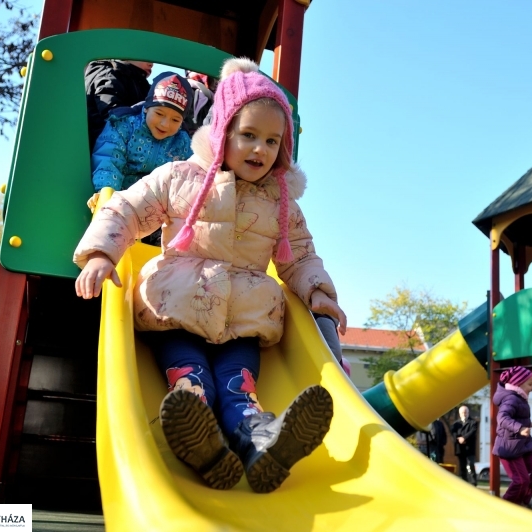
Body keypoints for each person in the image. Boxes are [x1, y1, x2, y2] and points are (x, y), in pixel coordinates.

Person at [73, 57, 347, 494]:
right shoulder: (181, 177)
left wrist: (317, 292)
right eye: (249, 135)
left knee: (241, 390)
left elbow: (300, 255)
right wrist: (102, 253)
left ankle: (262, 444)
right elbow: (126, 207)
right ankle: (198, 439)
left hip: (243, 321)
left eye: (272, 141)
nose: (260, 149)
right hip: (178, 308)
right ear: (222, 133)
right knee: (193, 379)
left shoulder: (280, 202)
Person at [90, 72, 194, 193]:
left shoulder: (183, 141)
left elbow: (190, 176)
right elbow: (109, 160)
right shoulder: (124, 126)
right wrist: (107, 192)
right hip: (121, 196)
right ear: (146, 107)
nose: (165, 124)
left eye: (175, 120)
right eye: (159, 114)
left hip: (160, 205)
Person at [492, 366, 532, 508]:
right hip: (510, 448)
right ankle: (505, 507)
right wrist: (520, 428)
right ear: (517, 383)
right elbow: (502, 418)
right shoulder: (511, 398)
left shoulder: (519, 398)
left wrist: (528, 423)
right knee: (521, 480)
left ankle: (522, 502)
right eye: (529, 384)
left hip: (521, 446)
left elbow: (517, 417)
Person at [85, 59, 153, 151]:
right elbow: (112, 113)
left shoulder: (139, 82)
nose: (151, 64)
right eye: (146, 57)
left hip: (128, 145)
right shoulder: (110, 74)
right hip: (108, 147)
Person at [451, 404, 478, 486]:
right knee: (462, 466)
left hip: (469, 448)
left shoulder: (473, 422)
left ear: (468, 413)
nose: (464, 414)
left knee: (471, 465)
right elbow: (453, 433)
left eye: (465, 412)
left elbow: (473, 432)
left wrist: (464, 438)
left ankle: (473, 482)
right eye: (462, 412)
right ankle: (464, 482)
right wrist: (459, 439)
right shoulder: (455, 424)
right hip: (460, 449)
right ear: (460, 414)